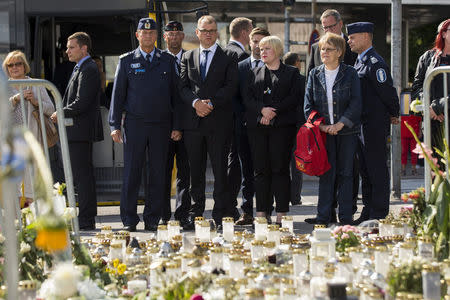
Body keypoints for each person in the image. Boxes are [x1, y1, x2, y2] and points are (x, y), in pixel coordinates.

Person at [109, 18, 181, 232]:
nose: (148, 36)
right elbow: (117, 96)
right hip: (135, 125)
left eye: (151, 33)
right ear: (138, 35)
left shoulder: (168, 60)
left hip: (161, 125)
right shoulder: (126, 60)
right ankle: (129, 219)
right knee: (132, 172)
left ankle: (152, 218)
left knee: (159, 174)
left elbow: (176, 97)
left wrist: (177, 125)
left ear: (156, 36)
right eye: (144, 33)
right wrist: (114, 125)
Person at [179, 15, 238, 227]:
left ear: (217, 33)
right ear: (197, 33)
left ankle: (220, 214)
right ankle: (196, 215)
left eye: (212, 31)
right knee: (195, 172)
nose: (208, 34)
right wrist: (196, 103)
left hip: (219, 124)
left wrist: (211, 103)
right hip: (194, 124)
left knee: (221, 171)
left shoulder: (229, 56)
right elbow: (182, 87)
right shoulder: (187, 56)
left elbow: (231, 87)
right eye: (204, 30)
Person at [304, 33, 362, 225]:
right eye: (322, 49)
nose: (324, 52)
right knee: (326, 173)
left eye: (329, 49)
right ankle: (324, 216)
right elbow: (308, 106)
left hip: (347, 132)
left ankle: (345, 218)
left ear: (339, 52)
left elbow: (356, 103)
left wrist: (340, 124)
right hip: (323, 133)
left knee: (346, 173)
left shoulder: (350, 73)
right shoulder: (314, 74)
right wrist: (323, 126)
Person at [243, 36, 302, 225]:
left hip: (282, 128)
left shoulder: (292, 73)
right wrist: (262, 111)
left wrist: (273, 112)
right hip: (258, 128)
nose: (263, 52)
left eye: (267, 48)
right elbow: (248, 98)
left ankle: (281, 212)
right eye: (261, 49)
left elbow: (294, 98)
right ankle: (261, 212)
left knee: (280, 170)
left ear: (276, 50)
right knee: (260, 171)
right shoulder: (253, 73)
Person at [347, 22, 400, 223]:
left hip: (374, 125)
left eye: (352, 37)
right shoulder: (360, 61)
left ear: (366, 36)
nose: (349, 41)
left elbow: (387, 91)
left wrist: (394, 113)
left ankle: (379, 213)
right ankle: (368, 212)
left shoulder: (375, 62)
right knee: (366, 171)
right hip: (361, 125)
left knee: (377, 170)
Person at [50, 32, 103, 231]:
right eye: (67, 47)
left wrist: (60, 112)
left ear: (83, 48)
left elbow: (83, 101)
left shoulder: (88, 68)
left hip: (80, 132)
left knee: (83, 176)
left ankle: (87, 219)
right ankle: (85, 217)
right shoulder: (80, 67)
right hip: (76, 131)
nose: (67, 51)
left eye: (71, 47)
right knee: (81, 175)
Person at [3, 50, 55, 207]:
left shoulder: (36, 84)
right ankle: (18, 222)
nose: (14, 67)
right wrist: (15, 99)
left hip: (33, 140)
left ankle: (33, 219)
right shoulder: (4, 87)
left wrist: (36, 101)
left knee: (31, 181)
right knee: (14, 183)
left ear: (24, 66)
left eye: (18, 63)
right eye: (10, 65)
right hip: (11, 141)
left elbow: (51, 108)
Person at [234, 27, 271, 225]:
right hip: (245, 127)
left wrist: (263, 115)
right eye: (255, 41)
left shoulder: (274, 66)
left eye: (262, 41)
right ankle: (247, 211)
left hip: (268, 126)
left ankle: (266, 210)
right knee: (247, 170)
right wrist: (247, 117)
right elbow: (236, 97)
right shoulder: (240, 67)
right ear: (249, 42)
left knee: (266, 169)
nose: (258, 45)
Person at [161, 20, 192, 230]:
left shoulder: (191, 59)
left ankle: (182, 214)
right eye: (169, 34)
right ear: (164, 37)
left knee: (185, 173)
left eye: (177, 34)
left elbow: (188, 96)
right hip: (161, 127)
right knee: (161, 172)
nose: (173, 37)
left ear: (182, 36)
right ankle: (163, 215)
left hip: (187, 126)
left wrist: (179, 126)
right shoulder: (158, 59)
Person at [224, 17, 253, 221]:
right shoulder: (241, 55)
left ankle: (227, 205)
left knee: (229, 162)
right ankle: (231, 206)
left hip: (223, 118)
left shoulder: (223, 51)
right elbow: (241, 91)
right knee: (238, 165)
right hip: (237, 119)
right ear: (244, 34)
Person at [412, 19, 450, 155]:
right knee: (435, 170)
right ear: (443, 34)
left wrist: (438, 106)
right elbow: (417, 87)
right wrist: (428, 107)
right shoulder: (427, 58)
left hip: (444, 114)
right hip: (433, 122)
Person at [282, 52, 306, 207]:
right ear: (296, 63)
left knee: (282, 164)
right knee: (298, 165)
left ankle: (283, 195)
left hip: (283, 126)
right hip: (299, 126)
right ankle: (295, 197)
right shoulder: (302, 80)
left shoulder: (280, 78)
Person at [307, 9, 357, 75]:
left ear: (340, 24)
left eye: (331, 26)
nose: (329, 30)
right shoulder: (316, 47)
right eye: (325, 28)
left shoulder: (353, 46)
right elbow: (309, 77)